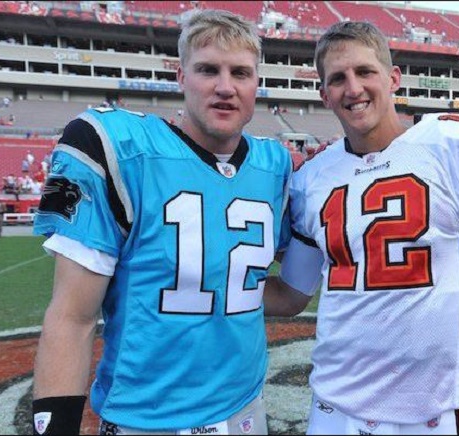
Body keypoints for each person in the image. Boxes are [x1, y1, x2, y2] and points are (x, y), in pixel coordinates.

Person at [264, 21, 459, 435]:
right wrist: (203, 284)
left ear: (393, 78)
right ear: (324, 94)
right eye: (338, 78)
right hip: (333, 407)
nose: (353, 88)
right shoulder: (312, 181)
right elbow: (291, 294)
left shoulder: (454, 150)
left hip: (426, 413)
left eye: (365, 72)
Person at [31, 9, 292, 435]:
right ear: (181, 76)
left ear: (256, 83)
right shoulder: (124, 151)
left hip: (245, 411)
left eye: (240, 73)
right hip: (146, 419)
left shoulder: (274, 165)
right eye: (208, 69)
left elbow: (276, 290)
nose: (225, 87)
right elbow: (72, 318)